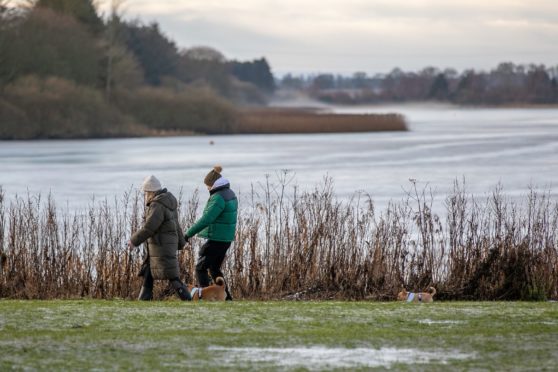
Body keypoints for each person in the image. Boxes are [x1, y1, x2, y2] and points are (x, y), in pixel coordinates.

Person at [128, 175, 191, 301]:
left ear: (151, 192)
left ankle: (187, 298)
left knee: (172, 276)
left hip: (161, 245)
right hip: (164, 244)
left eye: (146, 192)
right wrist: (182, 243)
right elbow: (176, 225)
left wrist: (133, 241)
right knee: (149, 272)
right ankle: (143, 300)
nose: (145, 195)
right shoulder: (168, 202)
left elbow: (149, 227)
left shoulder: (157, 205)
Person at [184, 165, 237, 301]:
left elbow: (207, 219)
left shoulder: (218, 197)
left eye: (208, 185)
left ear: (213, 184)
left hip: (217, 238)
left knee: (200, 267)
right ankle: (227, 299)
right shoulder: (230, 193)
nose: (207, 188)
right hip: (226, 238)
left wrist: (188, 234)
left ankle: (204, 298)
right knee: (214, 269)